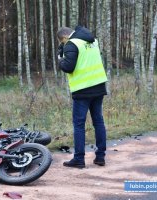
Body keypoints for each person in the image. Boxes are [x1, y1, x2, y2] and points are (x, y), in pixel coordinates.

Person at [57, 26, 108, 168]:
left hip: (82, 90)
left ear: (65, 37)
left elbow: (68, 67)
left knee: (79, 124)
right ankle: (100, 157)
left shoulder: (72, 44)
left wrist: (60, 58)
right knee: (98, 121)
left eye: (62, 42)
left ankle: (79, 158)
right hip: (98, 86)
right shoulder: (92, 41)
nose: (63, 45)